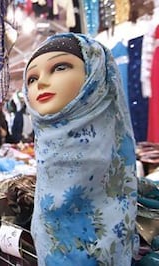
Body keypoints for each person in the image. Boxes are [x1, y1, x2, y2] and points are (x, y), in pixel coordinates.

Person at [23, 33, 138, 265]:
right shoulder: (45, 143)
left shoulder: (110, 145)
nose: (41, 83)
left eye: (60, 67)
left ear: (94, 75)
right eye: (32, 79)